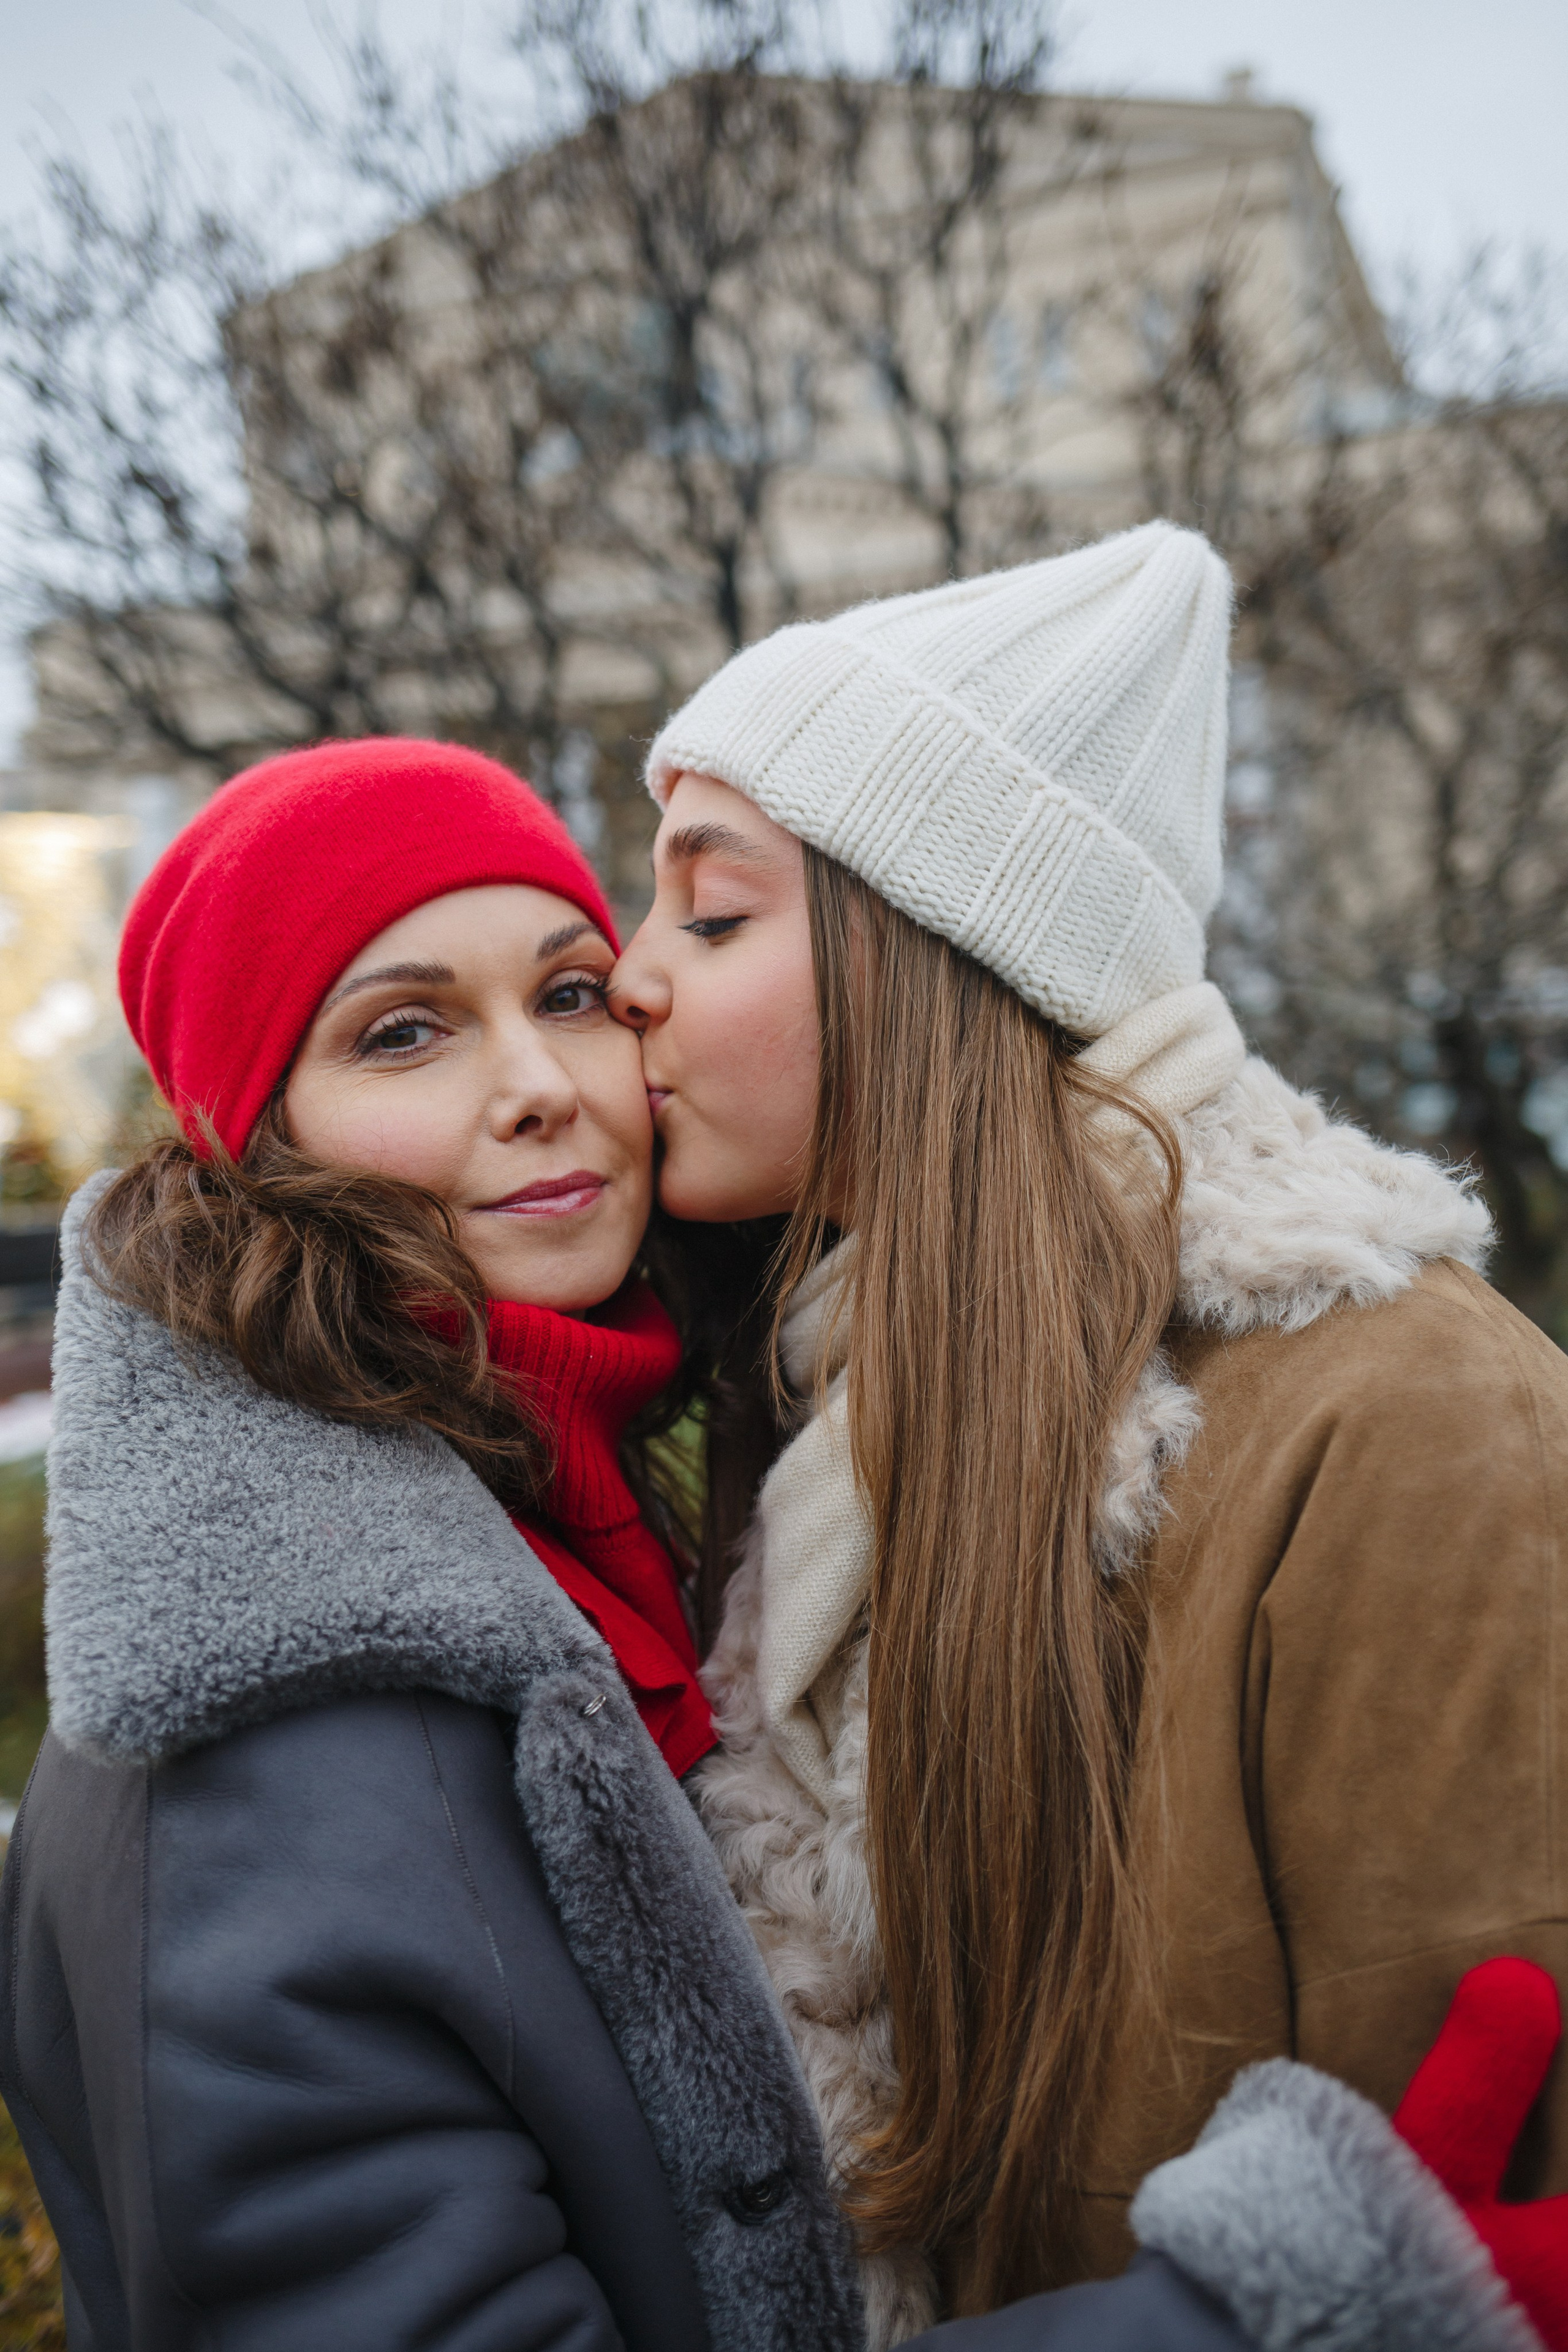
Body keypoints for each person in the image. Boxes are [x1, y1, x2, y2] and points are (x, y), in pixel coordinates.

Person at [0, 733, 1554, 2352]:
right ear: (255, 1141)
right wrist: (1268, 2313)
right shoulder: (276, 1732)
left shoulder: (580, 1540)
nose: (541, 1083)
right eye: (406, 1033)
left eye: (574, 993)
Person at [610, 521, 1568, 2352]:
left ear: (938, 950)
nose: (633, 972)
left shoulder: (1409, 1429)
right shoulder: (822, 1415)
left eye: (710, 909)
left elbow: (1472, 2231)